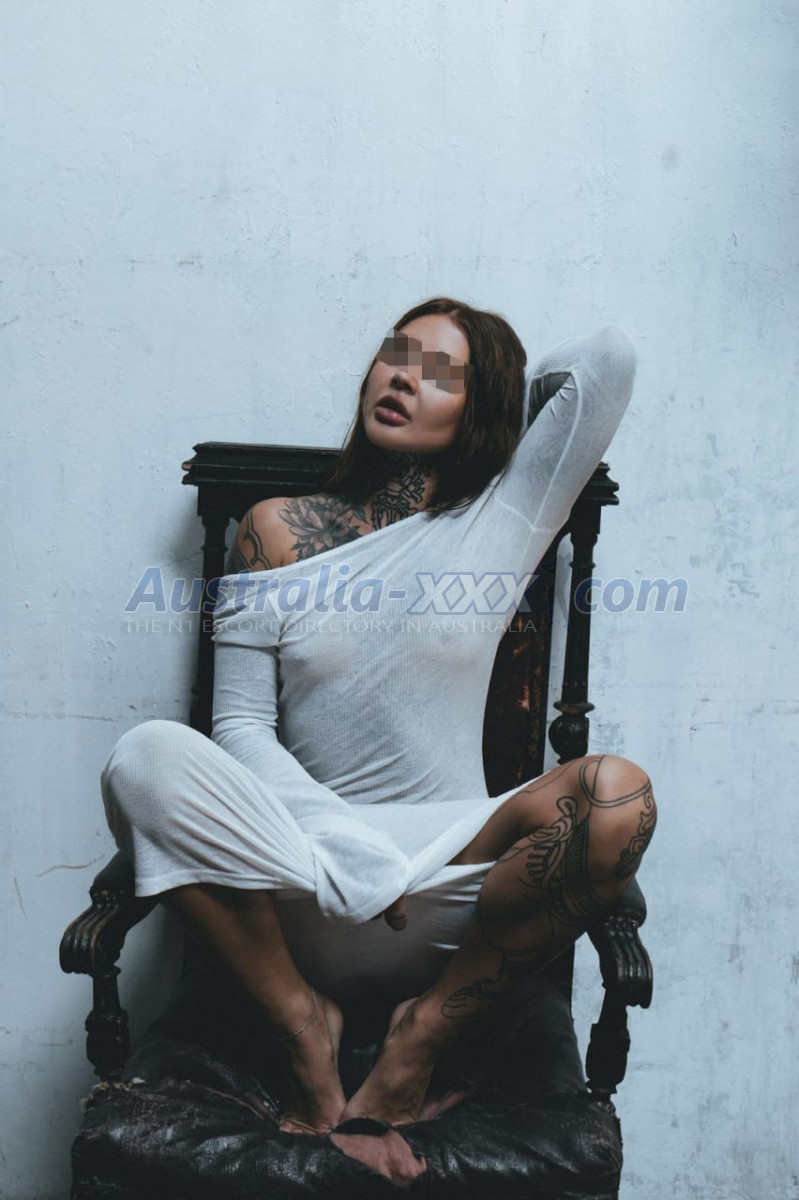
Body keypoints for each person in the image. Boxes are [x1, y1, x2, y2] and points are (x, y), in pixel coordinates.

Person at [101, 296, 657, 1181]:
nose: (403, 378)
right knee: (144, 756)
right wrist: (336, 836)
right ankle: (305, 1030)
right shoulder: (274, 529)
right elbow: (238, 727)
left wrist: (499, 399)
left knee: (617, 796)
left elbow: (607, 359)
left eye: (441, 374)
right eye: (396, 355)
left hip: (444, 887)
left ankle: (416, 1041)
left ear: (479, 409)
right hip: (299, 883)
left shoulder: (505, 516)